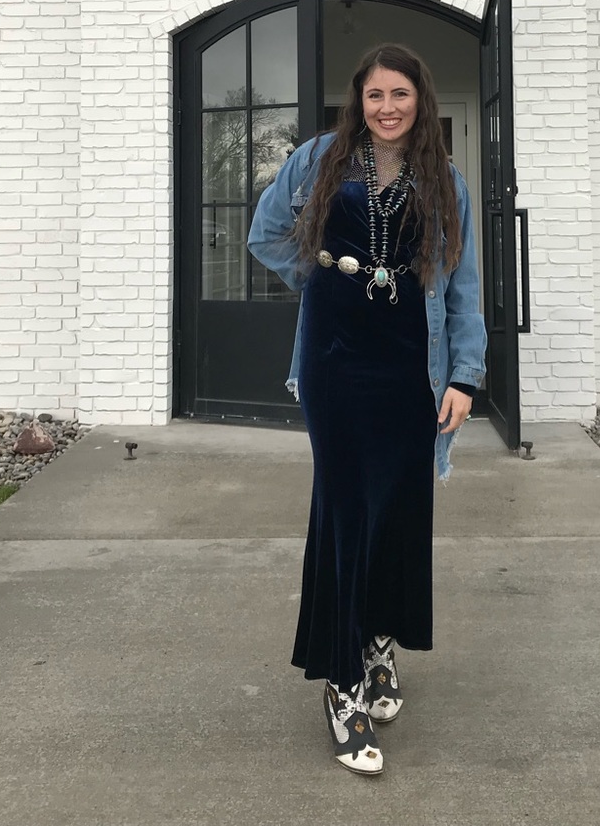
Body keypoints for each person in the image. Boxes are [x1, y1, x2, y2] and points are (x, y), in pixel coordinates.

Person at [247, 43, 486, 776]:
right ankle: (343, 682)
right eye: (377, 95)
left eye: (402, 96)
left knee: (400, 509)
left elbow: (461, 278)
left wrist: (465, 377)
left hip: (412, 366)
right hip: (336, 363)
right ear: (360, 99)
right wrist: (327, 278)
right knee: (348, 514)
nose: (388, 108)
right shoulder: (320, 158)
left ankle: (381, 643)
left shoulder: (444, 179)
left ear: (420, 101)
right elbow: (265, 236)